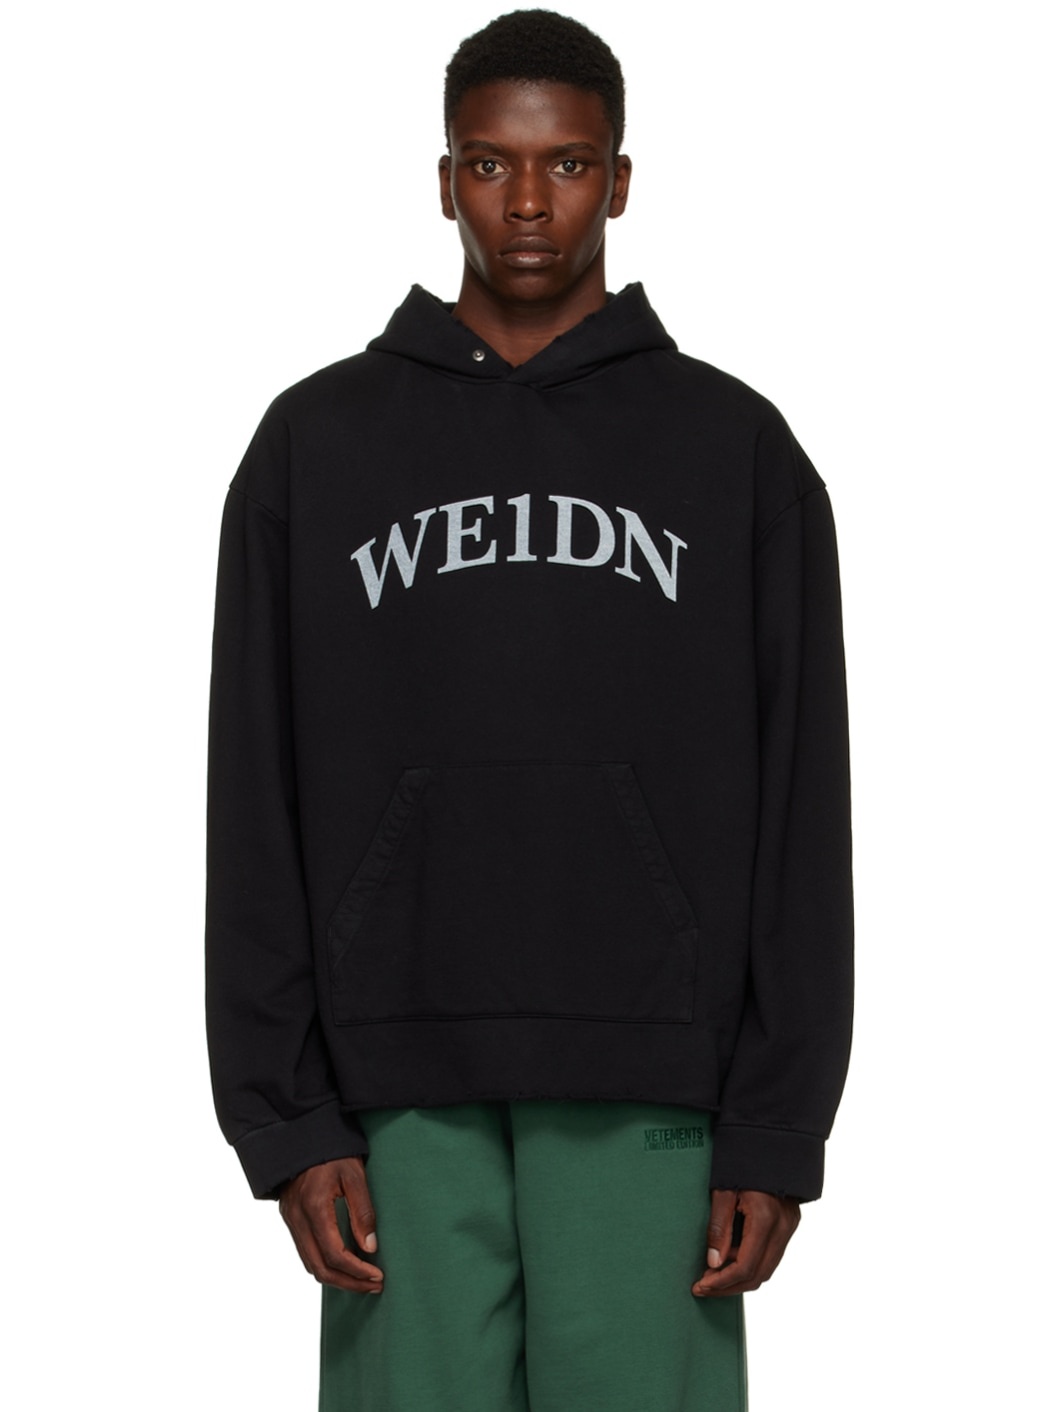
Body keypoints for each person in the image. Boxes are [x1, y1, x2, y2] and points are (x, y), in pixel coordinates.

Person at [205, 10, 854, 1410]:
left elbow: (807, 798)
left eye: (566, 165)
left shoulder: (733, 449)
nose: (528, 202)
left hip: (656, 1076)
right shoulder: (316, 443)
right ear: (444, 180)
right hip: (392, 1076)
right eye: (492, 164)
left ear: (620, 181)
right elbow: (252, 790)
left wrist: (778, 1121)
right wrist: (284, 1109)